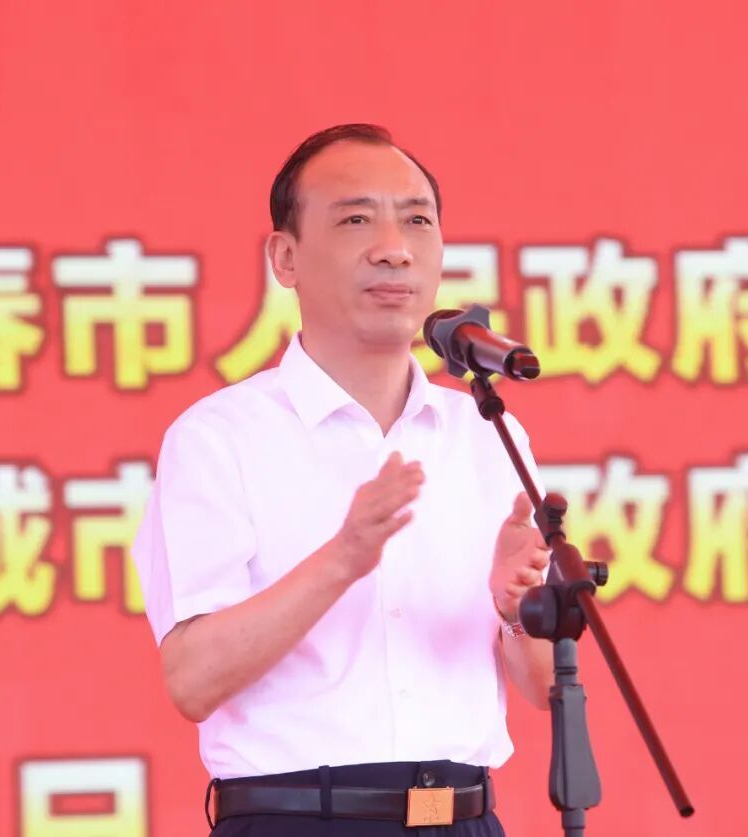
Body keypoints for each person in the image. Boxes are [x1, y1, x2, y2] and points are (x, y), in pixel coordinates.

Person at [131, 124, 555, 836]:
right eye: (357, 219)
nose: (394, 247)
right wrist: (342, 559)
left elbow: (544, 688)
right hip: (298, 819)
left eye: (416, 220)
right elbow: (193, 681)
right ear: (286, 257)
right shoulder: (220, 437)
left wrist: (516, 610)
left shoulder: (488, 432)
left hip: (464, 818)